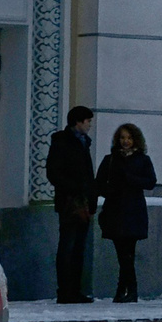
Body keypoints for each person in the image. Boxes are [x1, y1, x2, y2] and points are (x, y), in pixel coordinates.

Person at [96, 122, 158, 304]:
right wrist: (110, 190)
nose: (126, 142)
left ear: (135, 140)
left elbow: (151, 181)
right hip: (115, 210)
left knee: (127, 253)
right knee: (122, 253)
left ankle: (128, 290)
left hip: (133, 211)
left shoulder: (142, 160)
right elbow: (99, 183)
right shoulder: (110, 159)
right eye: (122, 138)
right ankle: (125, 290)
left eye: (129, 138)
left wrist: (130, 179)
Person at [44, 106, 97, 304]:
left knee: (78, 248)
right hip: (69, 202)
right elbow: (54, 172)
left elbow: (88, 175)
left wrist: (91, 198)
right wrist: (75, 188)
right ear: (78, 121)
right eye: (88, 121)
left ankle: (75, 290)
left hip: (82, 202)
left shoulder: (83, 143)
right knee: (68, 245)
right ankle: (66, 290)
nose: (90, 125)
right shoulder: (62, 142)